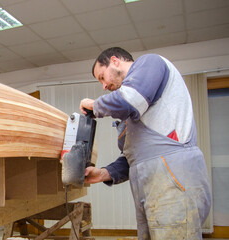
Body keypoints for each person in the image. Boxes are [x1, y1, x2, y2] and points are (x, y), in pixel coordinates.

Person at [80, 47, 211, 239]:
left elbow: (128, 100)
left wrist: (94, 105)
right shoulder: (131, 115)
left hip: (172, 178)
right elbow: (135, 157)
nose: (104, 86)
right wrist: (102, 174)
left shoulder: (150, 63)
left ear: (115, 61)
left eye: (102, 77)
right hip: (150, 187)